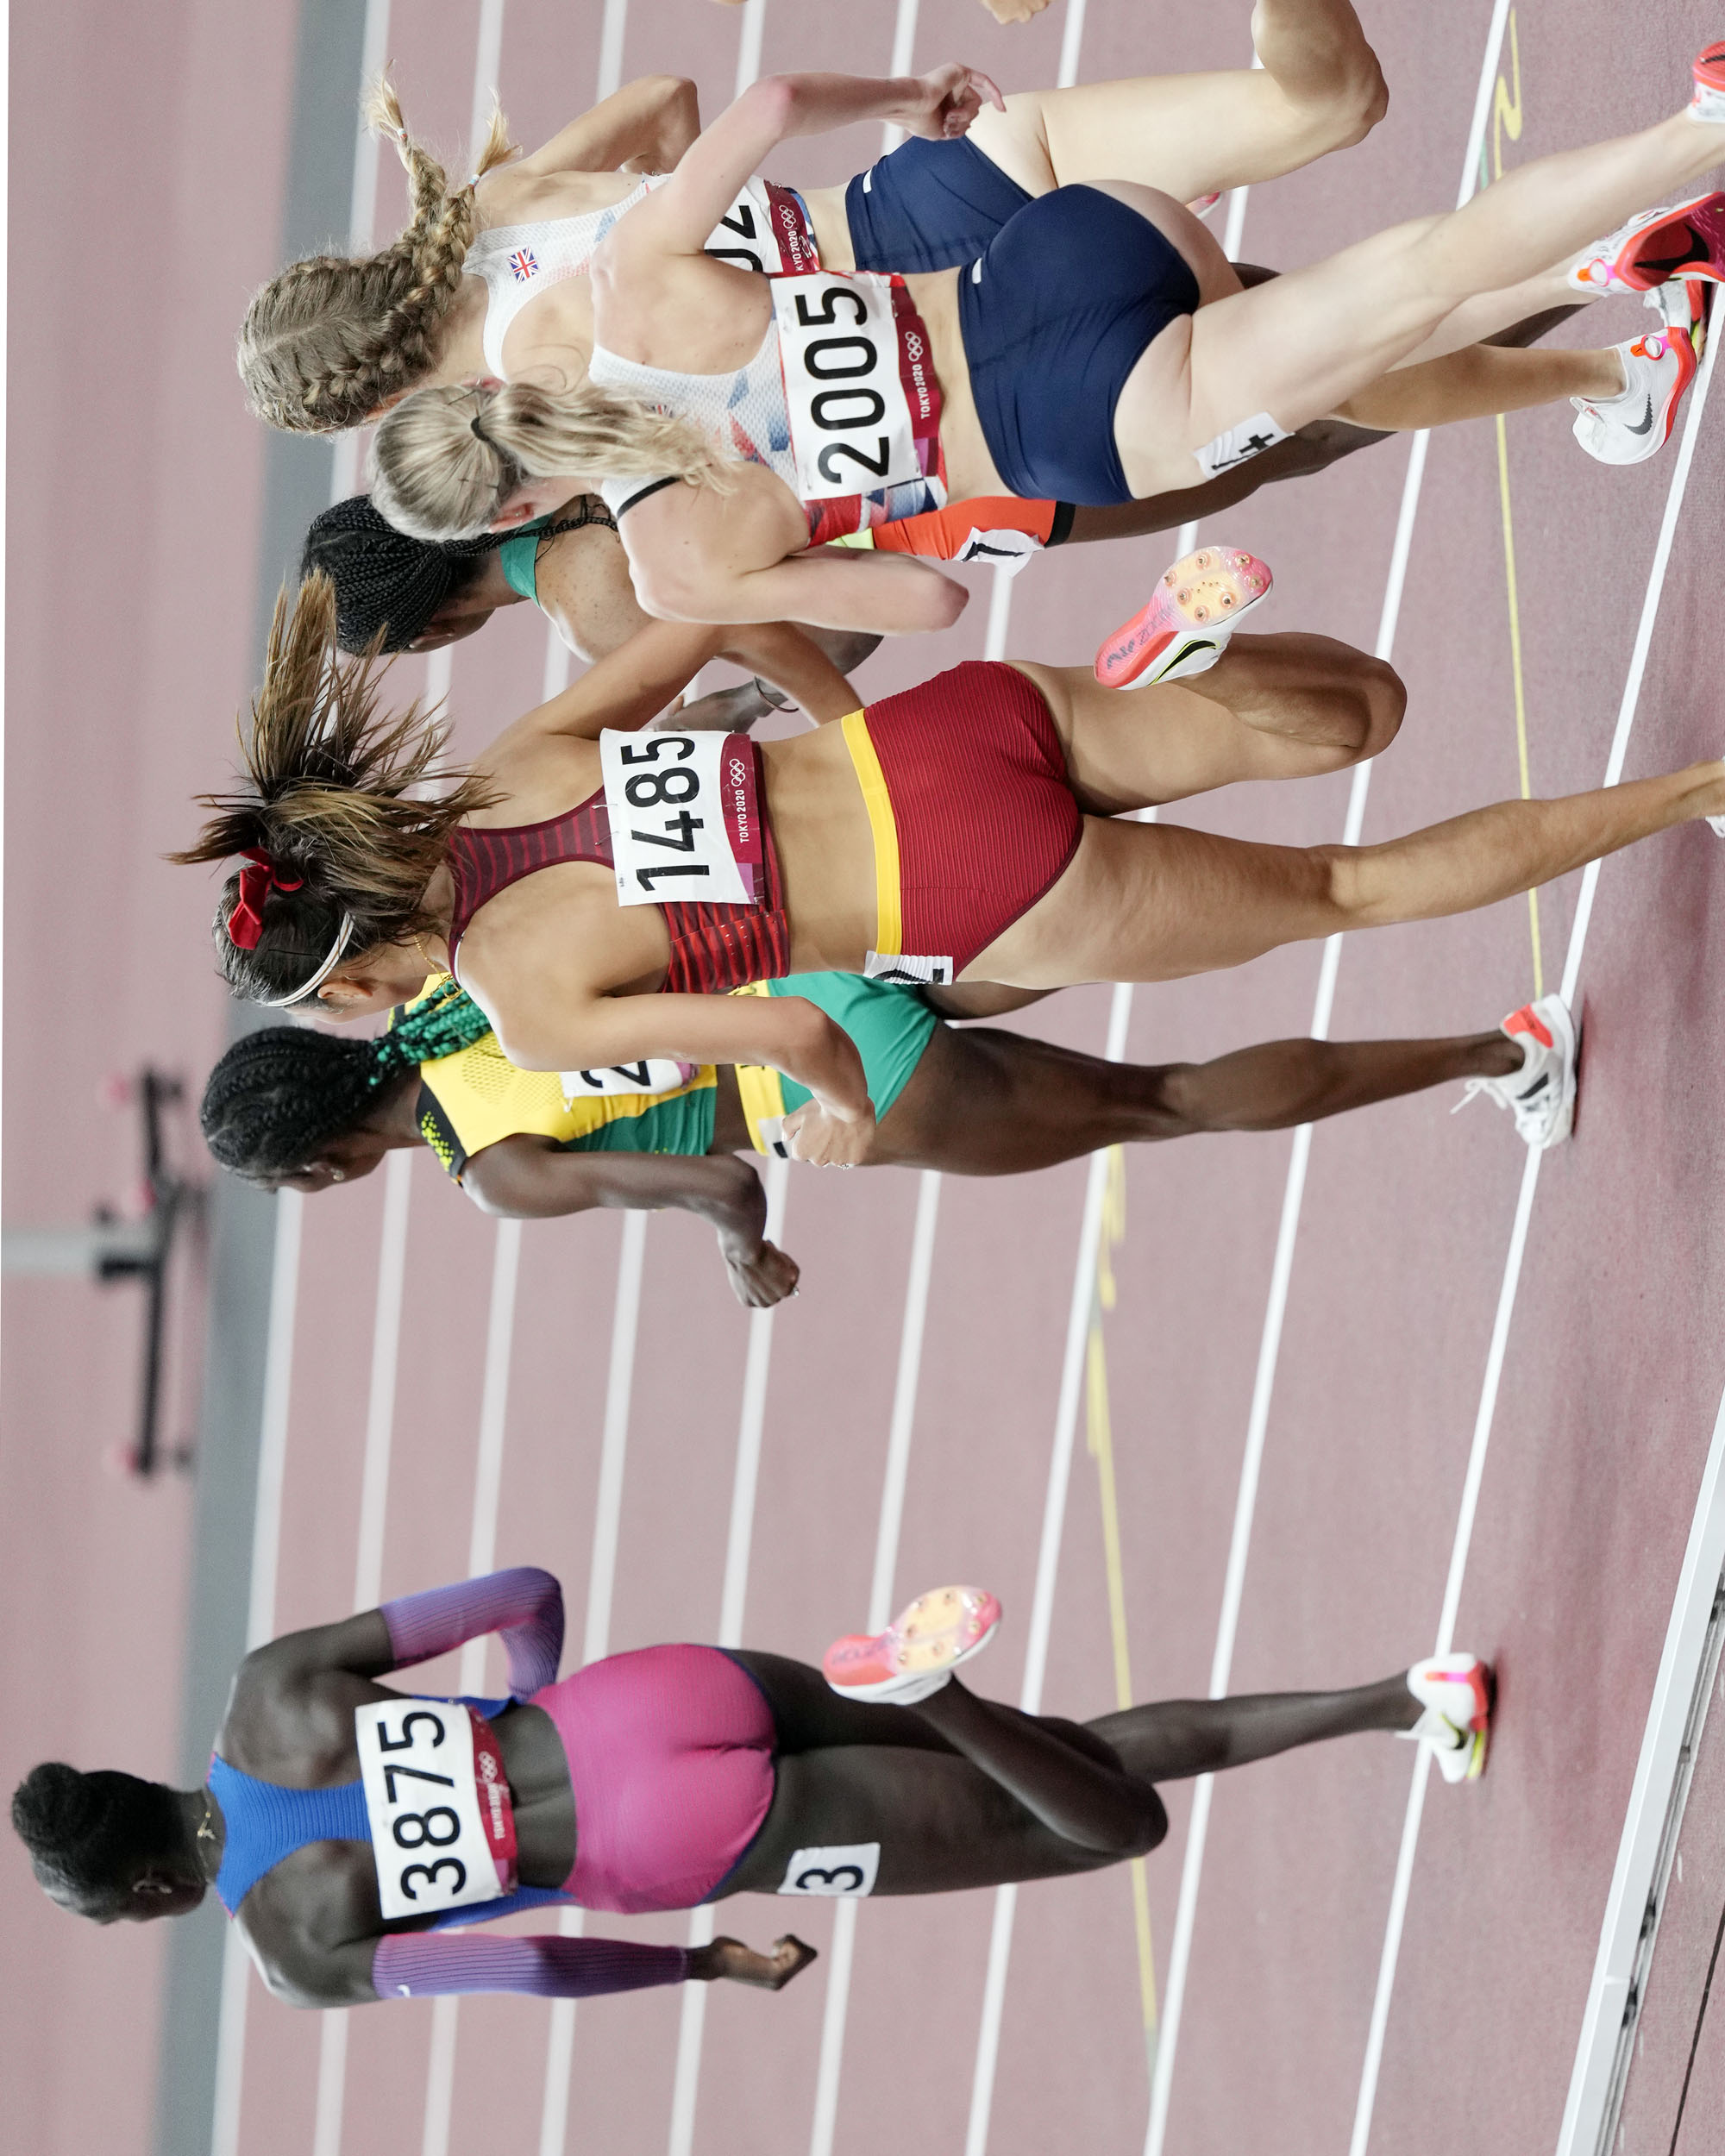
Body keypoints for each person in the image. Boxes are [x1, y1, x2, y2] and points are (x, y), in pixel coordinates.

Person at [175, 560, 1710, 1172]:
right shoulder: (506, 767)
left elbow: (795, 1028)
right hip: (934, 738)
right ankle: (1200, 658)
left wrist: (845, 1118)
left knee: (1345, 889)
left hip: (975, 889)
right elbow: (711, 616)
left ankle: (1703, 786)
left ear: (357, 976)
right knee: (1366, 710)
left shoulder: (525, 1006)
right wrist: (849, 726)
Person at [364, 55, 1725, 630]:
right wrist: (915, 98)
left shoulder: (673, 567)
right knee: (1398, 286)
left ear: (517, 512)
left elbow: (931, 604)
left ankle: (1623, 253)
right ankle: (1680, 152)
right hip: (1052, 250)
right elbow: (765, 101)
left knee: (1392, 311)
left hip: (1081, 424)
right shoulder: (625, 285)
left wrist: (838, 510)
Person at [9, 1565, 1490, 2009]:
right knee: (1071, 1753)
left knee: (1101, 1829)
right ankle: (1401, 1698)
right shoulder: (270, 1684)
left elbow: (528, 1962)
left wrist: (705, 1963)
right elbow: (522, 1591)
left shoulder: (291, 1949)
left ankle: (934, 1690)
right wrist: (535, 1704)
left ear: (152, 1886)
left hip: (693, 1836)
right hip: (657, 1693)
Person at [198, 973, 1579, 1307]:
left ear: (319, 1167)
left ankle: (1502, 1051)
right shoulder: (446, 1000)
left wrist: (744, 1256)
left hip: (850, 1082)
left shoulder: (494, 1171)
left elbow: (722, 1177)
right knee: (1131, 924)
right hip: (818, 963)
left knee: (1169, 1099)